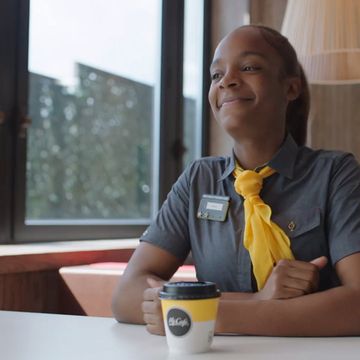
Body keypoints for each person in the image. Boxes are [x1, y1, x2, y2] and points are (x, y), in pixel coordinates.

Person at [112, 24, 360, 336]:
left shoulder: (336, 173)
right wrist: (258, 300)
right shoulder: (198, 180)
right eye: (216, 75)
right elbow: (125, 297)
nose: (227, 80)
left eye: (249, 67)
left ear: (291, 88)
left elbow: (357, 303)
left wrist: (208, 314)